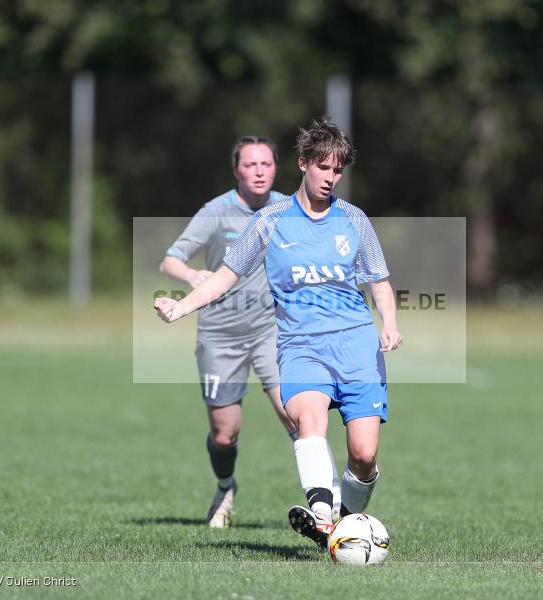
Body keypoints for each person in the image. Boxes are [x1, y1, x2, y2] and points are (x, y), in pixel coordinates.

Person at [155, 117, 402, 549]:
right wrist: (180, 307)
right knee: (308, 421)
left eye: (338, 170)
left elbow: (379, 283)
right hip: (301, 346)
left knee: (364, 456)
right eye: (323, 167)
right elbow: (225, 277)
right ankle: (322, 514)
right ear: (303, 163)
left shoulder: (354, 220)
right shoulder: (270, 220)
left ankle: (345, 520)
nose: (331, 177)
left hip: (357, 345)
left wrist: (391, 325)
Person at [159, 136, 300, 528]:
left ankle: (328, 503)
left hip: (272, 331)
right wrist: (192, 275)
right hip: (220, 334)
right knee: (224, 435)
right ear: (236, 169)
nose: (259, 172)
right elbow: (170, 261)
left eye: (266, 164)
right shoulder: (216, 212)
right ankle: (225, 486)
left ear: (276, 168)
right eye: (250, 165)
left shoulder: (289, 209)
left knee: (296, 418)